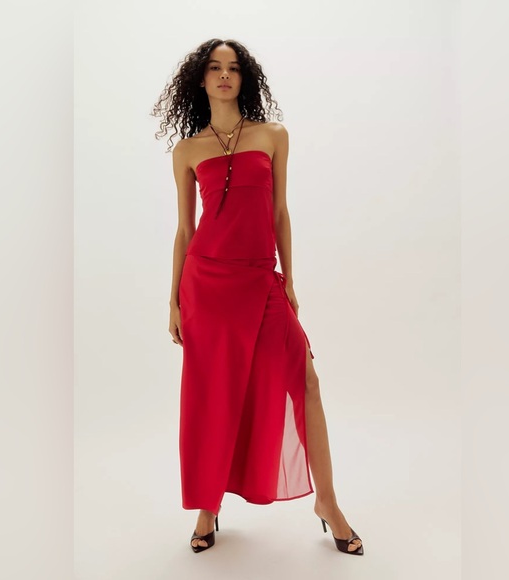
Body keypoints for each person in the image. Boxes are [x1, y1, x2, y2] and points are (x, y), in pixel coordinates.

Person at [151, 38, 363, 556]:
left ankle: (327, 502)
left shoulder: (272, 136)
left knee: (306, 379)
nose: (224, 75)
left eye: (233, 68)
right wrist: (173, 300)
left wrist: (288, 280)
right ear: (200, 80)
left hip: (259, 279)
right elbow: (185, 230)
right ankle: (207, 506)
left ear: (245, 78)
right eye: (214, 68)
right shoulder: (187, 150)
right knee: (211, 395)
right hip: (206, 284)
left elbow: (280, 213)